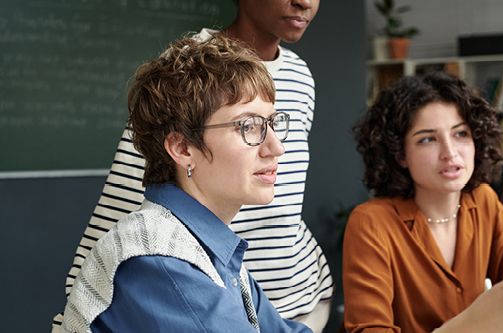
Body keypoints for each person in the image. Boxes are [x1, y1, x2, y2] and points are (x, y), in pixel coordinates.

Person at [54, 0, 332, 331]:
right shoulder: (162, 263)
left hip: (297, 296)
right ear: (182, 146)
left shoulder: (222, 251)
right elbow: (124, 237)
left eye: (274, 123)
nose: (278, 148)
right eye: (248, 126)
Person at [342, 72, 503, 332]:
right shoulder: (371, 222)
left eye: (460, 134)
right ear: (400, 154)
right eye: (427, 139)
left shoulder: (484, 201)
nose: (450, 153)